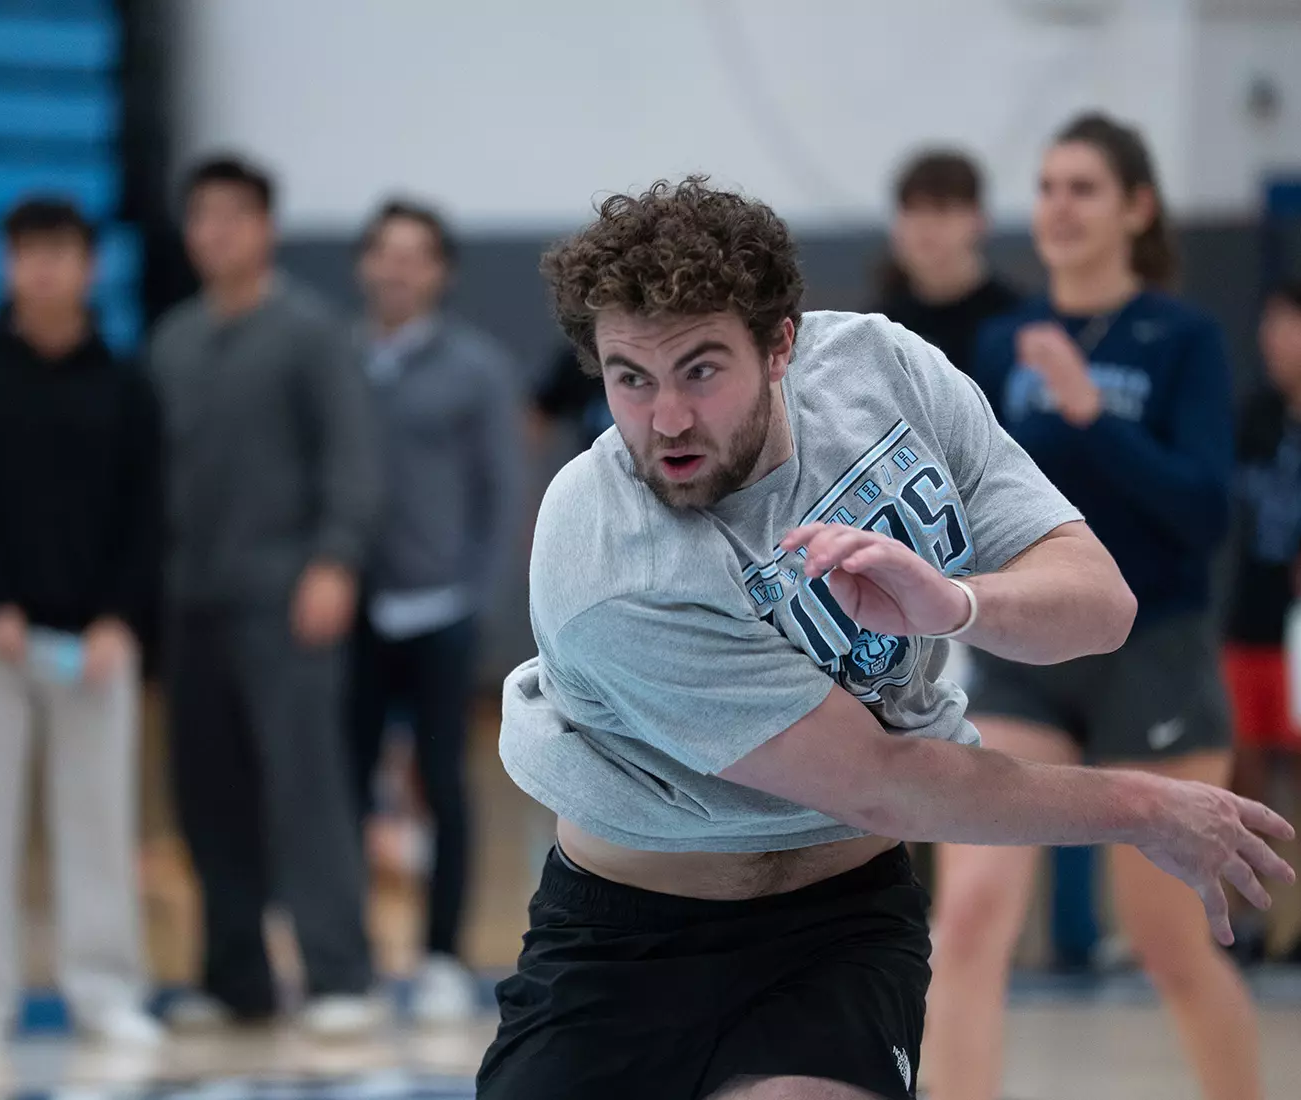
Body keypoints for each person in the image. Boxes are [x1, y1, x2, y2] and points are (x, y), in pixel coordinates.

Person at [475, 177, 1293, 1100]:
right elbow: (886, 781)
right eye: (631, 379)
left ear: (780, 342)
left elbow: (1100, 604)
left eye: (701, 370)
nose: (665, 419)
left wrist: (953, 603)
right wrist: (1145, 812)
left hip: (840, 926)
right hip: (624, 942)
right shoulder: (606, 554)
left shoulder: (880, 370)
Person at [923, 113, 1254, 1100]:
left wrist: (1087, 414)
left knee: (1169, 940)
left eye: (1083, 188)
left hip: (1152, 649)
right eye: (1048, 186)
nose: (1058, 207)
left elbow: (1201, 510)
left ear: (1135, 207)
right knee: (971, 918)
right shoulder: (1003, 339)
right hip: (1026, 653)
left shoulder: (1182, 338)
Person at [147, 157, 381, 1036]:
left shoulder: (310, 333)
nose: (215, 232)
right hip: (190, 602)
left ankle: (340, 975)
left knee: (305, 790)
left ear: (265, 228)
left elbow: (351, 456)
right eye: (201, 216)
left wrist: (334, 560)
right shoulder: (170, 341)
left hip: (286, 597)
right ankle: (234, 977)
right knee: (207, 796)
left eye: (233, 216)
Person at [0, 197, 163, 1052]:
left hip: (97, 644)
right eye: (29, 252)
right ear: (9, 264)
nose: (45, 268)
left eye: (61, 252)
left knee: (98, 817)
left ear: (88, 267)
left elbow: (146, 513)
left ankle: (103, 991)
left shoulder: (125, 382)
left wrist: (116, 618)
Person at [346, 199, 524, 1021]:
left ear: (442, 270)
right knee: (343, 785)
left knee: (443, 784)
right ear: (363, 264)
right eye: (385, 253)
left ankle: (444, 953)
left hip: (441, 610)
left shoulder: (476, 368)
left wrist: (477, 602)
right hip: (353, 607)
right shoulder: (339, 360)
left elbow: (500, 493)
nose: (398, 268)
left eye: (415, 255)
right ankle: (344, 958)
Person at [1223, 279, 1301, 963]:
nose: (1279, 343)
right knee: (1244, 776)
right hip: (1250, 622)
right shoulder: (1252, 417)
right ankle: (1248, 924)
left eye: (1291, 328)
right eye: (1272, 328)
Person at [868, 149, 1021, 376]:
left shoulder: (1016, 325)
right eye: (912, 210)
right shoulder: (876, 329)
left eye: (941, 210)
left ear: (979, 221)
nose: (925, 226)